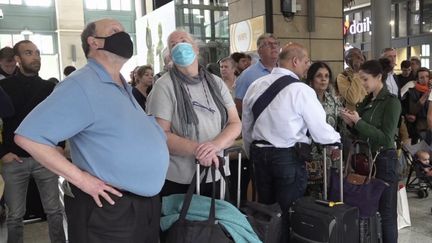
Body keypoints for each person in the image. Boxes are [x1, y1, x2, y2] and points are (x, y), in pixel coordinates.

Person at [14, 19, 169, 243]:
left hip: (143, 205)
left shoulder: (122, 86)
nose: (123, 36)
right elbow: (29, 137)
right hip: (110, 209)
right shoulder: (81, 84)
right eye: (115, 31)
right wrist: (83, 180)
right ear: (93, 42)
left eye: (124, 32)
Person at [242, 43, 341, 242]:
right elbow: (320, 130)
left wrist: (250, 152)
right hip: (287, 157)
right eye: (306, 62)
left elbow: (247, 126)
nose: (307, 66)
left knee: (266, 211)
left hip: (258, 155)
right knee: (289, 212)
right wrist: (336, 140)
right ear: (295, 61)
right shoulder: (301, 90)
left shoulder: (257, 85)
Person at [146, 30, 241, 197]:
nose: (180, 46)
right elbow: (160, 134)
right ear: (170, 56)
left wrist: (215, 146)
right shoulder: (163, 86)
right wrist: (200, 150)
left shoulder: (216, 83)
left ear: (196, 49)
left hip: (217, 172)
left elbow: (234, 122)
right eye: (174, 45)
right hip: (181, 179)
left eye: (184, 40)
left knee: (217, 221)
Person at [0, 40, 65, 243]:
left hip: (44, 159)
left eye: (37, 52)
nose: (35, 57)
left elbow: (59, 118)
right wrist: (2, 152)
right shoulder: (3, 87)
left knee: (54, 211)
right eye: (29, 53)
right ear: (17, 59)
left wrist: (60, 145)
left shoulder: (49, 87)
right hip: (14, 159)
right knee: (14, 215)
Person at [341, 58, 401, 243]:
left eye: (366, 79)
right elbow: (363, 131)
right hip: (367, 160)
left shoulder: (391, 103)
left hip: (384, 160)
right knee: (371, 211)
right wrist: (351, 124)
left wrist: (359, 122)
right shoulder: (367, 101)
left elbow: (385, 137)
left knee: (387, 214)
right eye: (361, 80)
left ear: (379, 77)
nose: (363, 84)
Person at [305, 61, 344, 197]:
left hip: (331, 155)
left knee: (331, 192)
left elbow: (340, 126)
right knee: (311, 195)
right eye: (319, 76)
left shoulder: (333, 100)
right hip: (309, 155)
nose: (323, 79)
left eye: (326, 76)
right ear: (311, 79)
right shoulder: (304, 99)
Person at [234, 33, 279, 115]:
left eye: (275, 43)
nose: (274, 46)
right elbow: (239, 103)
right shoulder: (246, 75)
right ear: (259, 50)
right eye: (268, 44)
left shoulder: (285, 71)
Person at [404, 68, 431, 144]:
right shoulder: (412, 91)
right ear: (417, 79)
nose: (425, 79)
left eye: (427, 76)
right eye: (422, 77)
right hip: (421, 126)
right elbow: (413, 110)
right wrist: (426, 94)